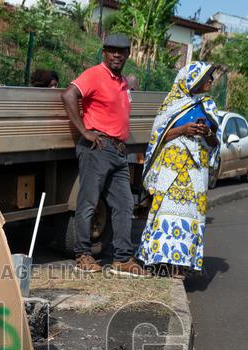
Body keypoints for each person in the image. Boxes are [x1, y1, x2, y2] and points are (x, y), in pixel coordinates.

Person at [61, 34, 146, 277]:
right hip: (97, 148)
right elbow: (68, 95)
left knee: (124, 204)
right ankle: (83, 255)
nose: (117, 55)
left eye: (122, 51)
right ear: (104, 52)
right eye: (112, 50)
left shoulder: (121, 82)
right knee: (88, 203)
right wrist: (84, 132)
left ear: (128, 54)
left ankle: (121, 259)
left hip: (118, 151)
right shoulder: (94, 74)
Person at [136, 61, 220, 278]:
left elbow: (214, 142)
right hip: (171, 171)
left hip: (194, 172)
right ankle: (156, 261)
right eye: (206, 78)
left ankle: (179, 266)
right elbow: (157, 137)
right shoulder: (171, 104)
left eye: (211, 77)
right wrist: (183, 129)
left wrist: (206, 133)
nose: (211, 81)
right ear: (192, 81)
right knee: (164, 214)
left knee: (189, 217)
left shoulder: (208, 105)